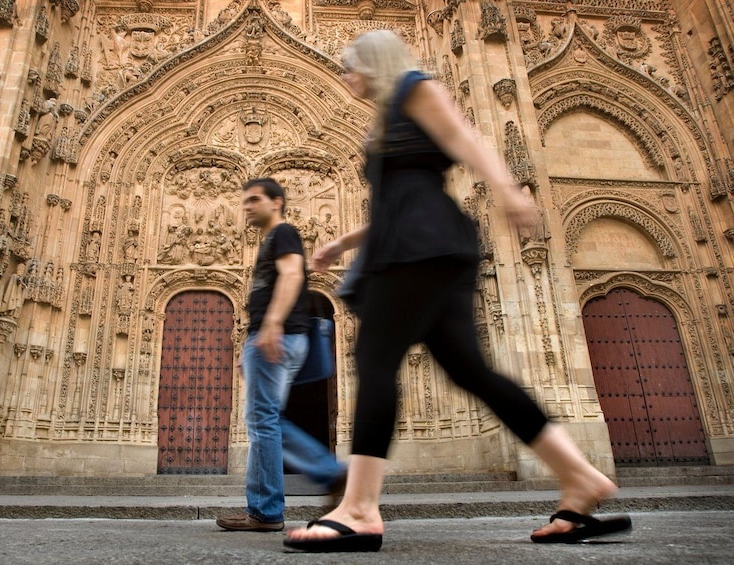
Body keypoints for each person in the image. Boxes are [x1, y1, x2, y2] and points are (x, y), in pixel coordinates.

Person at [283, 30, 631, 552]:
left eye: (349, 65)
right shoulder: (392, 115)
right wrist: (344, 241)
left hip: (420, 248)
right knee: (471, 371)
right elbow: (402, 197)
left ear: (375, 63)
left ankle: (358, 508)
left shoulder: (416, 88)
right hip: (427, 244)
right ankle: (581, 480)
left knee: (376, 362)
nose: (344, 75)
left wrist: (509, 189)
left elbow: (469, 139)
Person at [216, 178, 346, 532]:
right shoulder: (273, 239)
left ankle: (271, 507)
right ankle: (301, 487)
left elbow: (291, 274)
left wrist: (271, 324)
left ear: (276, 202)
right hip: (273, 337)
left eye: (254, 199)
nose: (247, 206)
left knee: (263, 421)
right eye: (244, 200)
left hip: (280, 335)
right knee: (266, 420)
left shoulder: (284, 232)